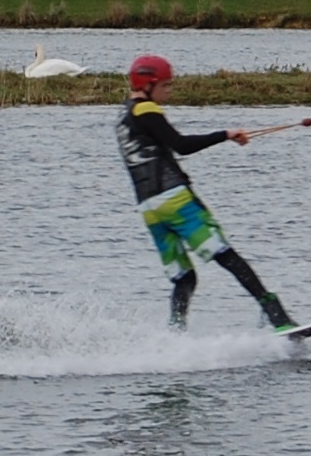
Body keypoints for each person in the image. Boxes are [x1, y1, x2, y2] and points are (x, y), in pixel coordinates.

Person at [117, 54, 297, 331]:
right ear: (148, 85)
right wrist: (225, 134)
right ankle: (278, 317)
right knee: (227, 256)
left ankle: (174, 336)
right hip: (175, 201)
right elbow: (181, 145)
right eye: (165, 85)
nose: (169, 91)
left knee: (185, 278)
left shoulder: (124, 115)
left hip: (149, 209)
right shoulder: (146, 110)